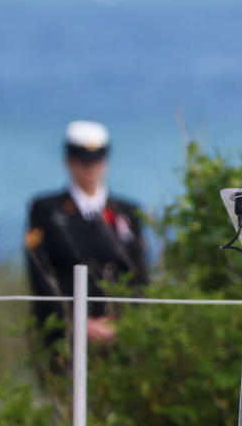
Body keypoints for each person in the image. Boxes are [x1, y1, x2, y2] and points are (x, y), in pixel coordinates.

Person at [25, 120, 149, 358]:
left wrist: (123, 322)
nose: (91, 168)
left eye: (97, 160)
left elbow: (140, 274)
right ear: (69, 161)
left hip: (121, 338)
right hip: (65, 337)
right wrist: (76, 322)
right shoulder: (47, 211)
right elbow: (41, 275)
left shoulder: (127, 212)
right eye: (84, 161)